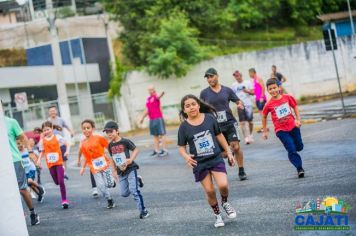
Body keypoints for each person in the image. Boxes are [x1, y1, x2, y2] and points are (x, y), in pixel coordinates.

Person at [178, 94, 237, 228]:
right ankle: (217, 216)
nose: (191, 107)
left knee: (223, 185)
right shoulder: (184, 127)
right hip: (199, 163)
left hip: (215, 158)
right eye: (187, 106)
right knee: (210, 191)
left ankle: (225, 203)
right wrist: (187, 157)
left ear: (198, 105)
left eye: (193, 104)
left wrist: (228, 152)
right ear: (184, 110)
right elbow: (181, 148)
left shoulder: (210, 119)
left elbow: (220, 136)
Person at [200, 68, 247, 181]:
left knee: (236, 146)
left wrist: (240, 105)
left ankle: (241, 170)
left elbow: (237, 100)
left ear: (217, 76)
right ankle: (228, 153)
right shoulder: (204, 93)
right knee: (223, 154)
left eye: (211, 76)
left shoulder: (227, 90)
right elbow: (201, 110)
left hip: (230, 122)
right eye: (208, 77)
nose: (210, 79)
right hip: (216, 127)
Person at [104, 121, 149, 219]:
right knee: (124, 193)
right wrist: (114, 171)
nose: (109, 134)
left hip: (131, 168)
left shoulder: (125, 141)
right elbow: (112, 159)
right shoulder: (110, 145)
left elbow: (136, 149)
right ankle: (138, 179)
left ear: (117, 131)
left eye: (111, 131)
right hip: (121, 171)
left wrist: (131, 159)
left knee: (134, 190)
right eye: (107, 132)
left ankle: (143, 211)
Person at [262, 79, 305, 178]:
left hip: (293, 126)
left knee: (299, 147)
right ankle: (299, 168)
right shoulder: (268, 104)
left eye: (274, 88)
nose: (273, 90)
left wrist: (298, 119)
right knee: (291, 149)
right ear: (268, 91)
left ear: (279, 87)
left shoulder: (287, 97)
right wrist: (265, 131)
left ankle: (296, 150)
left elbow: (295, 107)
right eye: (270, 89)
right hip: (281, 130)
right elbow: (264, 116)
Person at [4, 114, 40, 225]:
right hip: (2, 163)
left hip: (15, 160)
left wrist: (30, 152)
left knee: (22, 189)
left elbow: (23, 137)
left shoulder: (11, 122)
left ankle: (33, 213)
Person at [78, 119, 116, 209]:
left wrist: (114, 158)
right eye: (84, 128)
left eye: (88, 128)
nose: (86, 130)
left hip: (105, 164)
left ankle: (112, 182)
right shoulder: (83, 144)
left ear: (93, 129)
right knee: (101, 186)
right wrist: (83, 167)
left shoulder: (99, 138)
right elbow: (86, 158)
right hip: (94, 167)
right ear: (82, 130)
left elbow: (109, 148)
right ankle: (109, 199)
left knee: (109, 184)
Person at [37, 121, 70, 209]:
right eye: (44, 130)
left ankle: (64, 200)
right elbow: (42, 151)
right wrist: (39, 160)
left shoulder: (57, 137)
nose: (46, 131)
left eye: (48, 129)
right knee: (57, 182)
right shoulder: (43, 141)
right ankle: (61, 177)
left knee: (61, 181)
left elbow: (67, 143)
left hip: (59, 162)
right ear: (43, 131)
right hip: (50, 164)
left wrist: (67, 151)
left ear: (52, 128)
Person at [139, 85, 168, 157]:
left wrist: (162, 93)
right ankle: (157, 150)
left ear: (154, 90)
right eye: (149, 89)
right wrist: (142, 118)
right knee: (155, 135)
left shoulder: (156, 96)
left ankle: (164, 150)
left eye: (152, 89)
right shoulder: (148, 99)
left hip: (158, 118)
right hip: (151, 119)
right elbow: (147, 110)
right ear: (148, 91)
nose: (151, 90)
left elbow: (159, 96)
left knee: (162, 134)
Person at [47, 106, 74, 180]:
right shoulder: (48, 121)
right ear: (49, 113)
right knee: (55, 160)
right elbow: (44, 131)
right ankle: (58, 173)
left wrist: (71, 132)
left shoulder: (61, 120)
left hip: (61, 143)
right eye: (51, 111)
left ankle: (64, 173)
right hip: (52, 144)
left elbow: (66, 126)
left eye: (53, 110)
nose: (52, 112)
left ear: (56, 111)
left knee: (64, 159)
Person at [231, 70, 255, 144]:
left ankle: (250, 134)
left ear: (241, 75)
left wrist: (246, 91)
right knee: (242, 123)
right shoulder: (234, 85)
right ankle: (246, 138)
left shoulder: (247, 82)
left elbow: (253, 92)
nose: (236, 77)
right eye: (235, 76)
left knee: (250, 122)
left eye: (237, 75)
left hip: (248, 104)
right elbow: (232, 95)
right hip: (240, 105)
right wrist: (236, 102)